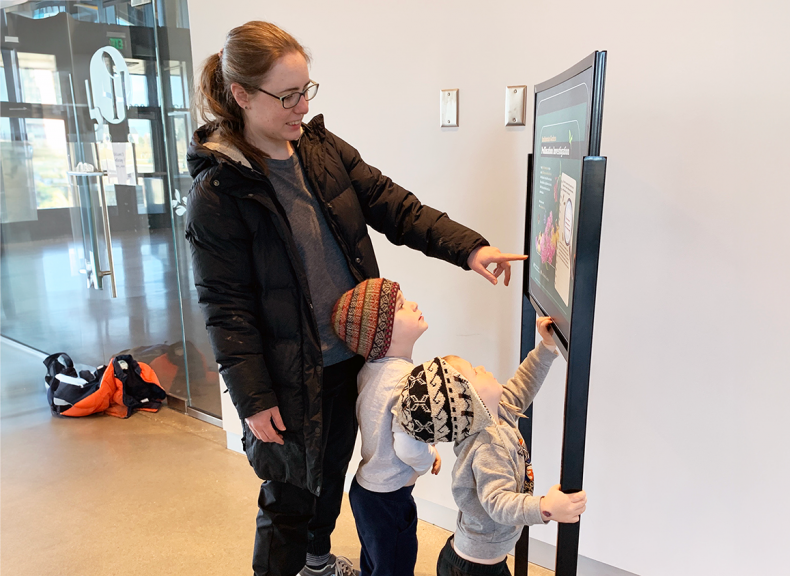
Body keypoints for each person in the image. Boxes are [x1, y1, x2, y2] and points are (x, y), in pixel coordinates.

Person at [185, 20, 526, 576]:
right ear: (242, 95)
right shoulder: (219, 192)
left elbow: (397, 206)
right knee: (289, 497)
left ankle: (315, 563)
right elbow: (226, 306)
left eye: (306, 91)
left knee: (335, 472)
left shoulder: (320, 150)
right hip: (287, 375)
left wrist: (471, 249)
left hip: (353, 359)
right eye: (287, 96)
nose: (301, 107)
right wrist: (252, 396)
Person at [392, 318, 587, 576]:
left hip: (485, 558)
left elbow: (522, 386)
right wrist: (545, 508)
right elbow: (498, 503)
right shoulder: (487, 446)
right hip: (474, 568)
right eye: (474, 371)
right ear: (467, 402)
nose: (482, 367)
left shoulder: (497, 412)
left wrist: (546, 346)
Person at [330, 278, 438, 576]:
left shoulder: (370, 370)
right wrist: (429, 456)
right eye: (402, 305)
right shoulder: (409, 380)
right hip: (390, 498)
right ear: (383, 333)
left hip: (367, 491)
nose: (413, 305)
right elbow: (407, 445)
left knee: (376, 564)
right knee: (394, 568)